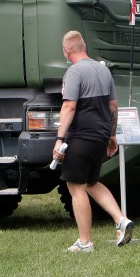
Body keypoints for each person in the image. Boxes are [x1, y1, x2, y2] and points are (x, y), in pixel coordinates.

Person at [53, 30, 134, 252]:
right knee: (91, 183)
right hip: (100, 135)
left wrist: (59, 139)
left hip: (81, 136)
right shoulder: (103, 70)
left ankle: (85, 241)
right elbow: (113, 106)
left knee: (76, 187)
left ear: (66, 51)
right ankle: (121, 220)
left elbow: (69, 106)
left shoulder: (74, 72)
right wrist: (111, 135)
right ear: (84, 47)